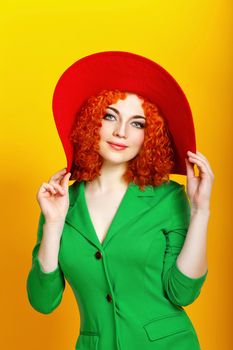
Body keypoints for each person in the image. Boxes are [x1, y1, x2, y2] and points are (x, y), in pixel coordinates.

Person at [26, 52, 214, 350]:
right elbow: (43, 301)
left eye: (137, 124)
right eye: (110, 116)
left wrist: (200, 209)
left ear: (149, 136)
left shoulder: (167, 198)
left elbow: (182, 293)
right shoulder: (62, 204)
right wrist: (52, 225)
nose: (121, 132)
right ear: (90, 121)